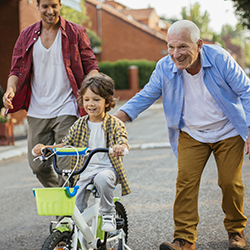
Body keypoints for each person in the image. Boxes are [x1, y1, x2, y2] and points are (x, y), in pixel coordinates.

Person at [114, 20, 250, 250]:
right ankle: (184, 240)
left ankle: (236, 232)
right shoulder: (164, 67)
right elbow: (145, 95)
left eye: (182, 47)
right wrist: (116, 118)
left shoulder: (220, 59)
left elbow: (246, 91)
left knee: (229, 182)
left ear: (198, 44)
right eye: (171, 47)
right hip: (191, 132)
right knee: (185, 183)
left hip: (227, 130)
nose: (175, 54)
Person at [2, 0, 99, 187]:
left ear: (60, 5)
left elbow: (90, 65)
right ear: (37, 6)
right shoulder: (26, 36)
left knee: (67, 166)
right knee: (38, 166)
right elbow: (15, 70)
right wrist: (10, 90)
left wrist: (94, 85)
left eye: (54, 5)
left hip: (67, 106)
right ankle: (64, 202)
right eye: (45, 6)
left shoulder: (75, 32)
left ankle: (66, 214)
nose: (50, 11)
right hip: (37, 109)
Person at [32, 72, 131, 231]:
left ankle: (108, 213)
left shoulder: (115, 123)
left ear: (107, 102)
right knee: (75, 202)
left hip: (107, 169)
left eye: (96, 99)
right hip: (84, 171)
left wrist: (121, 147)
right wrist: (47, 148)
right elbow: (65, 144)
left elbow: (122, 139)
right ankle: (77, 234)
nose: (91, 104)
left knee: (103, 179)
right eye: (87, 100)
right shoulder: (79, 124)